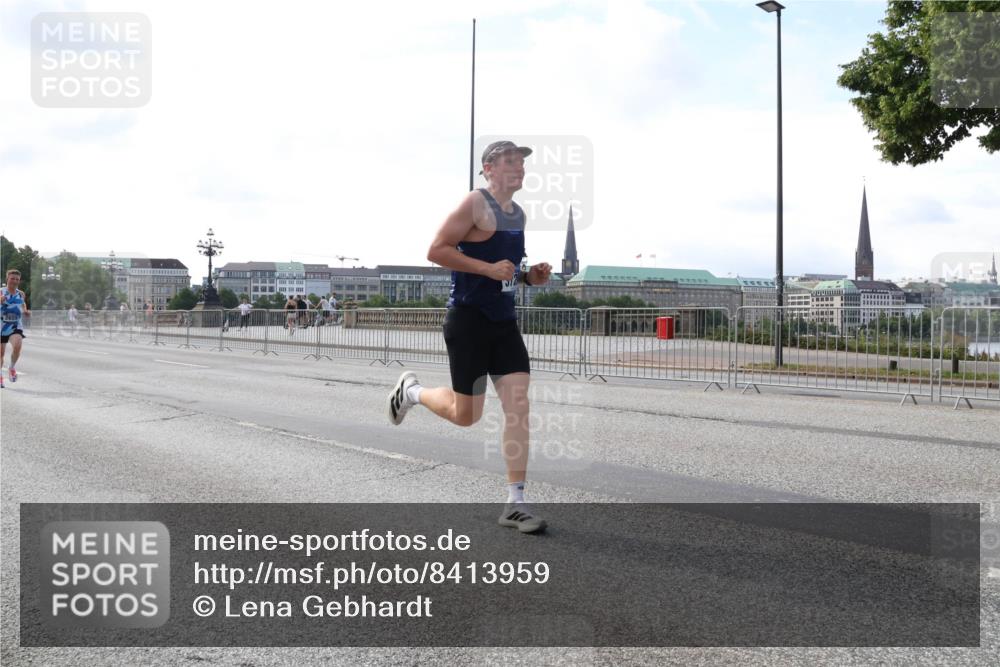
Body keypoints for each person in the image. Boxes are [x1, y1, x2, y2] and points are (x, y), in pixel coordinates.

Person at [386, 140, 552, 533]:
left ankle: (516, 502)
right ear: (488, 168)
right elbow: (436, 250)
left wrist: (530, 276)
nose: (520, 169)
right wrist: (487, 269)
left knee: (518, 406)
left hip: (504, 322)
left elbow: (508, 268)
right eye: (511, 162)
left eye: (523, 164)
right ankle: (411, 393)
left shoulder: (520, 215)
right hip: (469, 320)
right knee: (467, 416)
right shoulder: (474, 204)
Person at [1, 269, 31, 388]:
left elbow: (22, 303)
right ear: (7, 279)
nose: (14, 281)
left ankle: (12, 367)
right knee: (1, 353)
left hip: (15, 325)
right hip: (1, 326)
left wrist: (25, 310)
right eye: (12, 278)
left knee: (18, 345)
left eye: (17, 279)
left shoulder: (21, 293)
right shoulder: (1, 292)